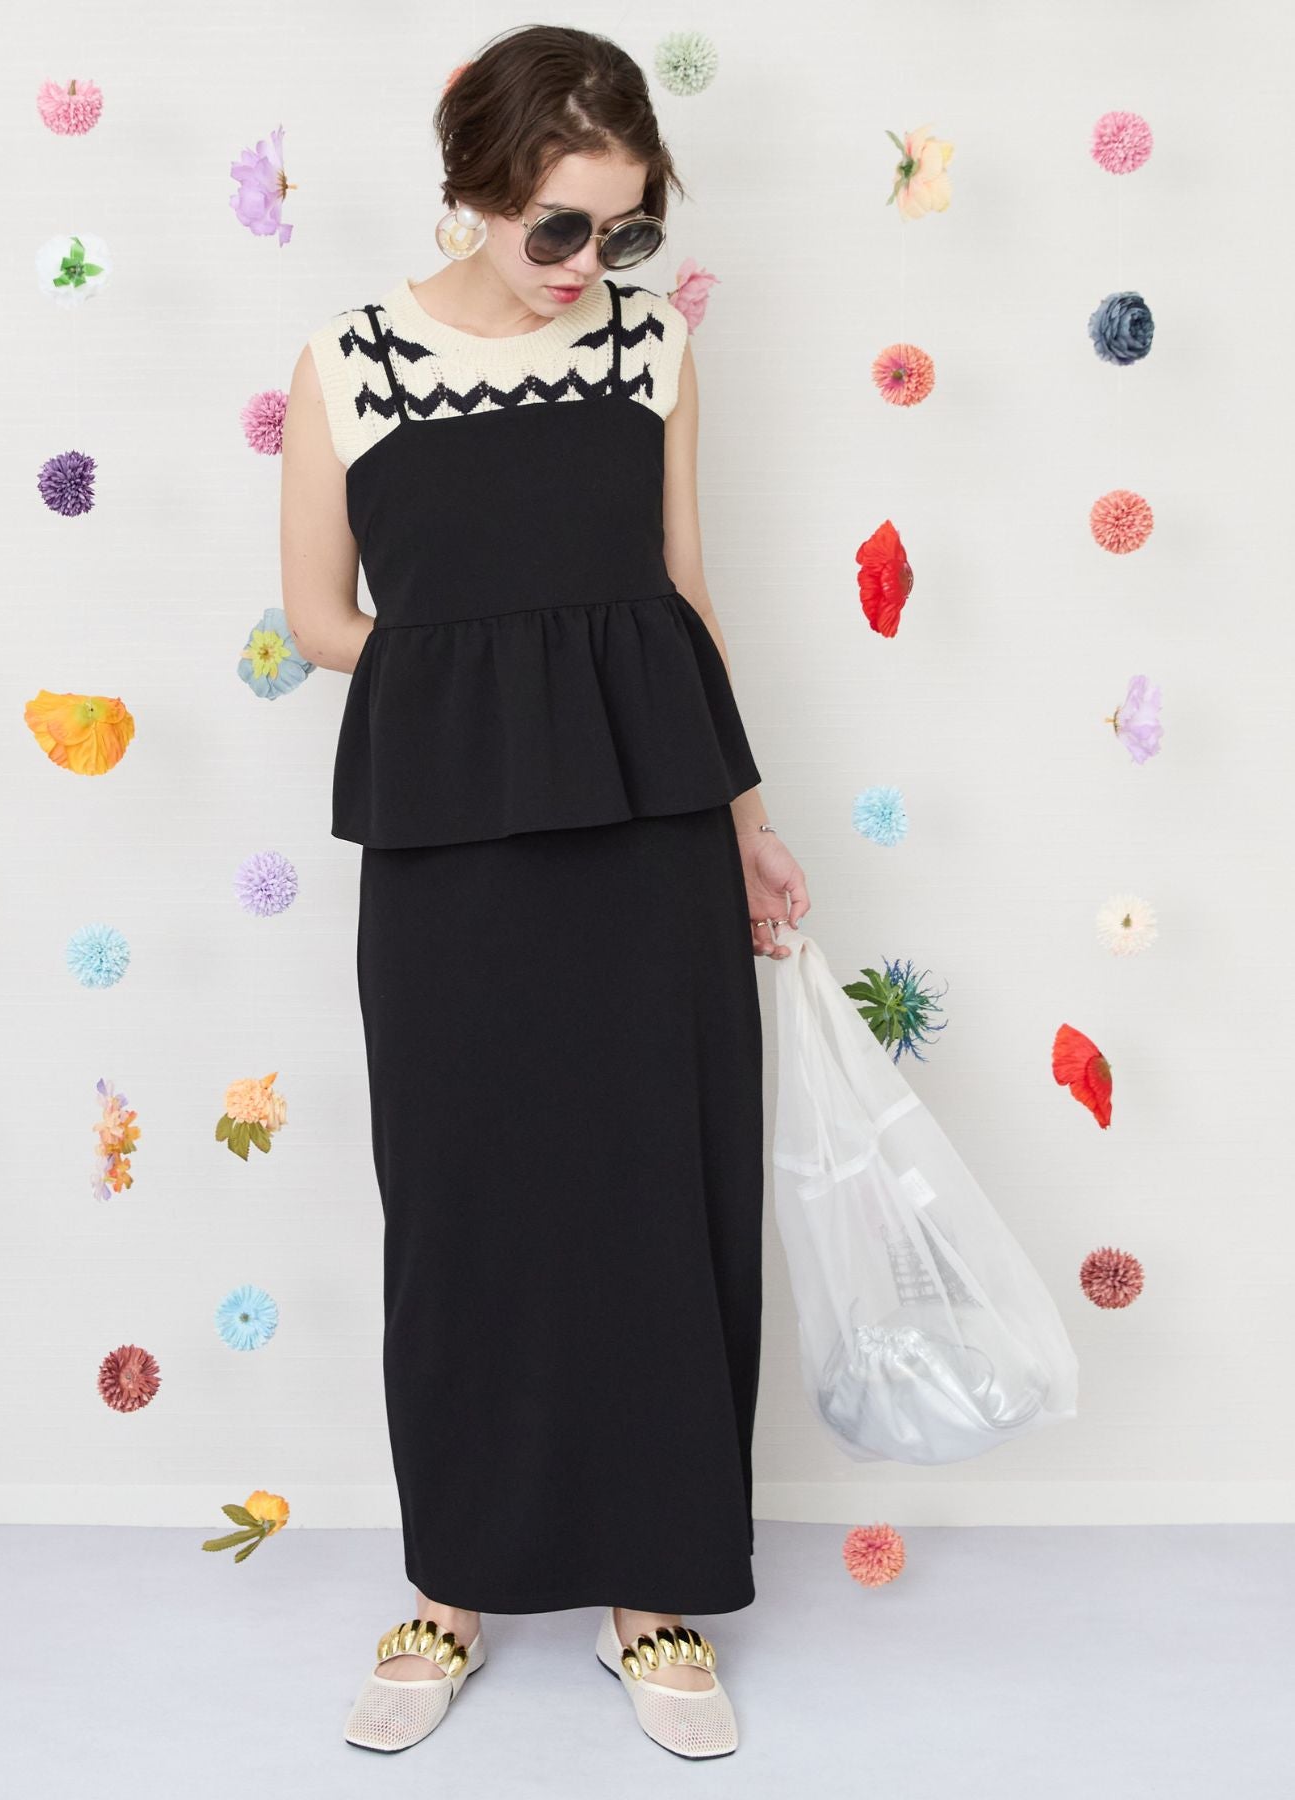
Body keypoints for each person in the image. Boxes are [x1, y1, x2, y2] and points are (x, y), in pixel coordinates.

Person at [279, 23, 809, 1761]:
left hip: (652, 820)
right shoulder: (352, 361)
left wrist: (748, 817)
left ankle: (654, 1595)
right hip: (453, 835)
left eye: (626, 226)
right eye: (559, 226)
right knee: (462, 1204)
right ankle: (451, 1585)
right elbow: (322, 620)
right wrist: (492, 683)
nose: (591, 261)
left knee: (659, 1188)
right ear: (475, 192)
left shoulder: (651, 346)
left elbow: (685, 592)